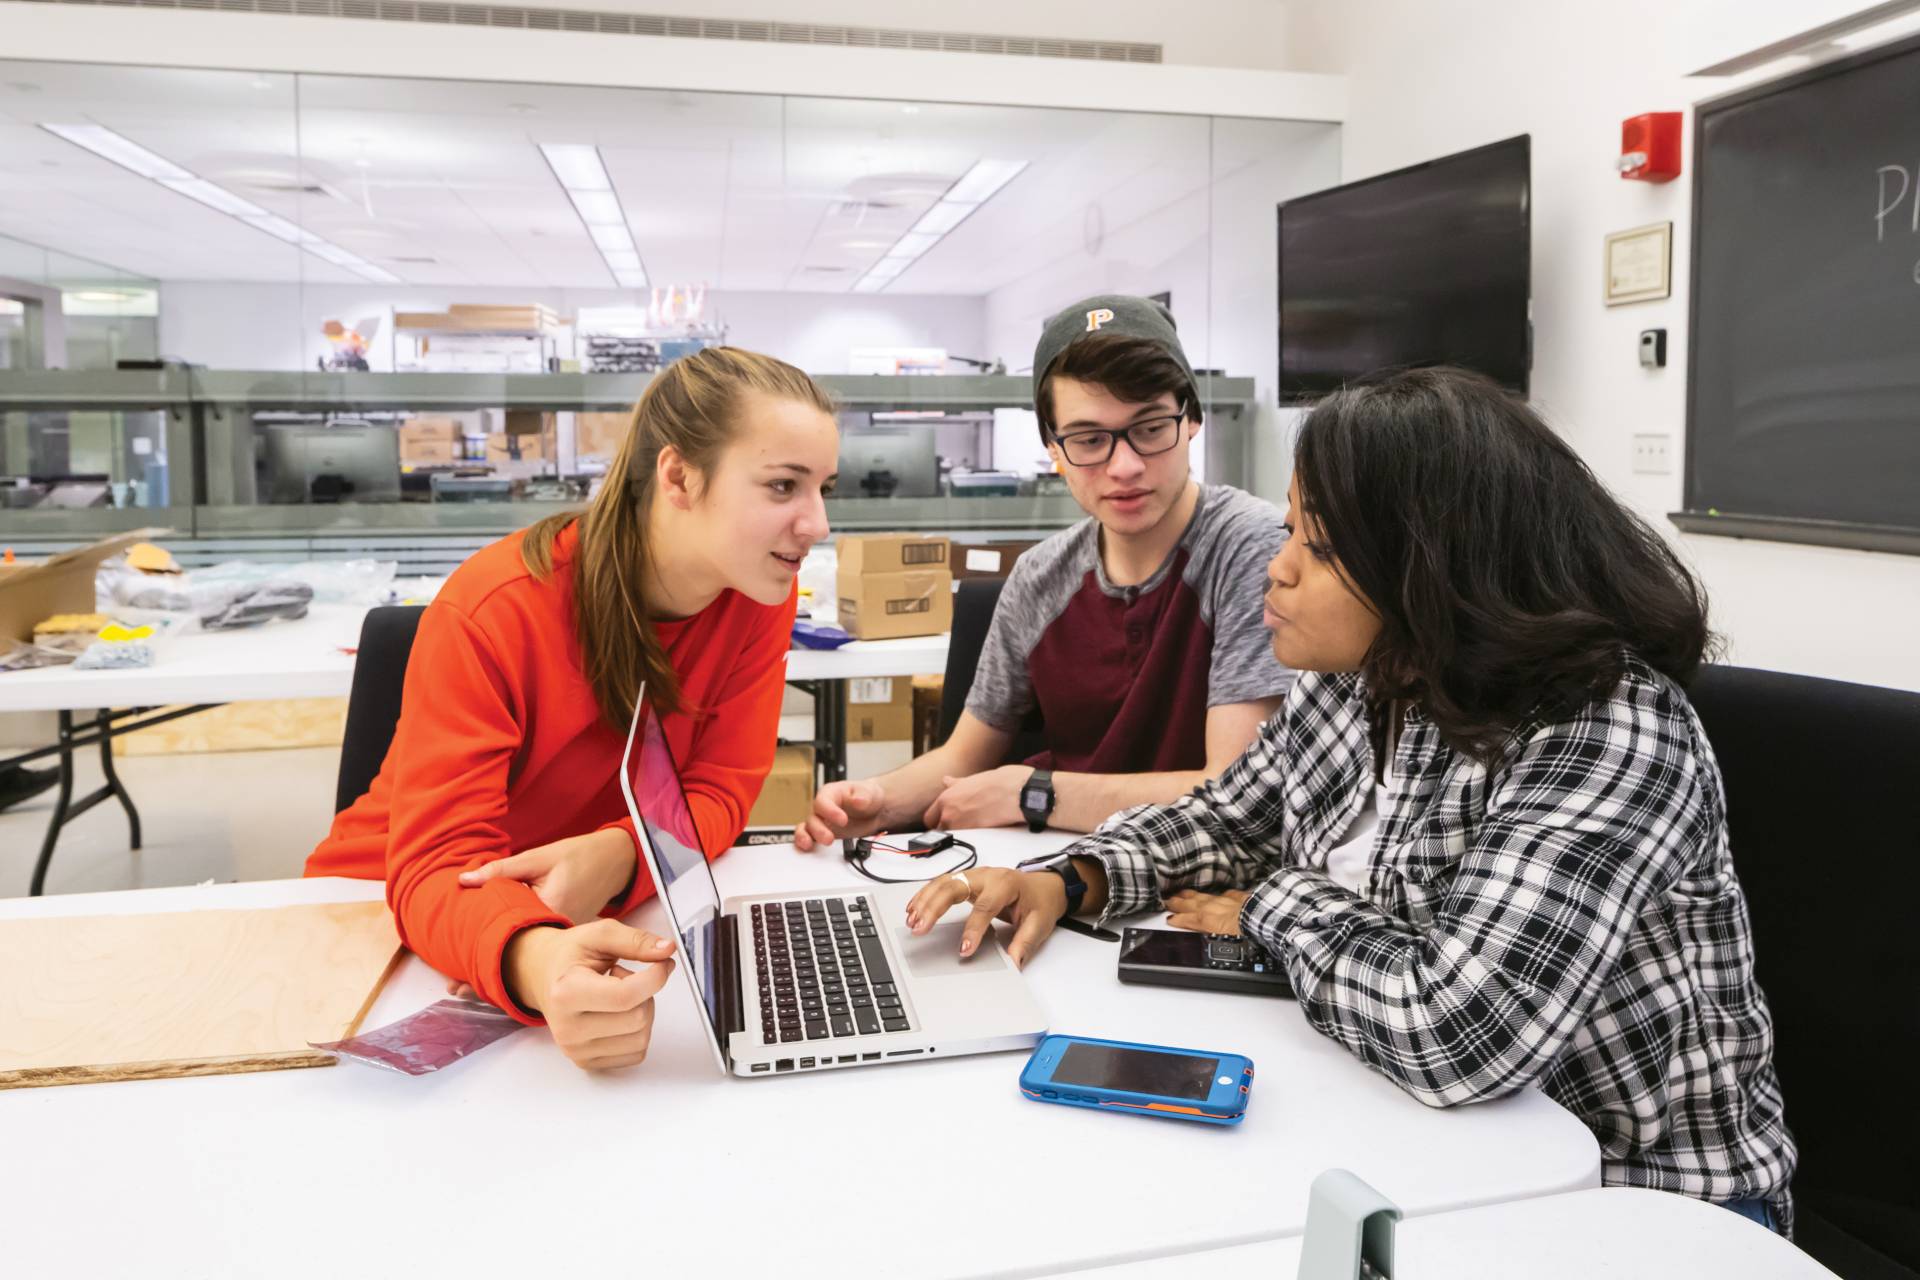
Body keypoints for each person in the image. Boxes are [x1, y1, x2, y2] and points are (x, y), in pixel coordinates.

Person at [909, 367, 1797, 1229]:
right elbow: (1228, 817)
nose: (1278, 570)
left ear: (1434, 568)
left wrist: (1270, 906)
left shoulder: (1603, 729)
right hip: (1428, 1144)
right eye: (1291, 530)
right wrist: (1071, 879)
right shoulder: (1361, 674)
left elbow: (1458, 1032)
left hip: (1635, 1201)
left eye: (1322, 549)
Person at [306, 347, 838, 1070]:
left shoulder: (756, 593)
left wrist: (618, 854)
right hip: (383, 921)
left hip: (570, 916)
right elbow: (436, 867)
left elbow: (722, 791)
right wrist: (537, 957)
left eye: (822, 488)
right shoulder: (494, 609)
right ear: (678, 477)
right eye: (783, 486)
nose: (818, 523)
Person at [796, 295, 1293, 850]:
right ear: (1052, 448)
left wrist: (1033, 794)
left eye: (1152, 428)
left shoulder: (1251, 549)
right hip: (1057, 869)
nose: (1125, 466)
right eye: (1089, 440)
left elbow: (1235, 794)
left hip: (1203, 877)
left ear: (1192, 418)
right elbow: (963, 756)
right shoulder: (1040, 578)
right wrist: (875, 800)